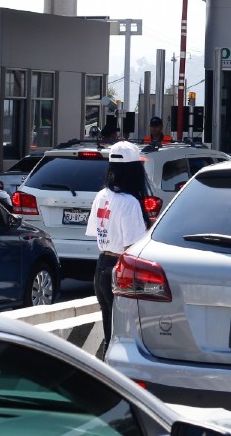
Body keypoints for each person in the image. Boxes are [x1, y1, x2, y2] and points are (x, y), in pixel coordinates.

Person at [84, 141, 150, 357]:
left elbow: (96, 230)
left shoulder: (102, 196)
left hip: (101, 266)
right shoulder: (129, 202)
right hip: (122, 270)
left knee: (110, 334)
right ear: (134, 170)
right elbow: (134, 246)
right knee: (125, 340)